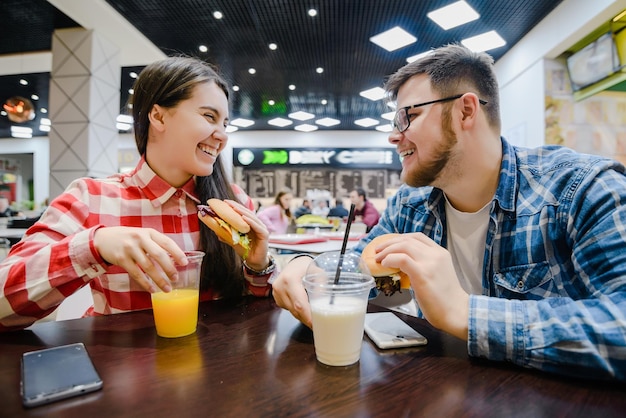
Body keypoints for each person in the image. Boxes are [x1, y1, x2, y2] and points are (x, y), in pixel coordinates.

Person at [272, 44, 626, 381]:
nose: (394, 137)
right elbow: (359, 269)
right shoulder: (410, 206)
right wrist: (308, 267)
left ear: (465, 111)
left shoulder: (581, 190)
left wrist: (466, 314)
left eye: (407, 117)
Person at [0, 56, 277, 331]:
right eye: (209, 116)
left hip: (219, 366)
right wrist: (95, 246)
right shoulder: (91, 197)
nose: (223, 136)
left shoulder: (235, 202)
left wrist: (258, 266)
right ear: (158, 116)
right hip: (124, 368)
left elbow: (256, 312)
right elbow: (4, 304)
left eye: (225, 124)